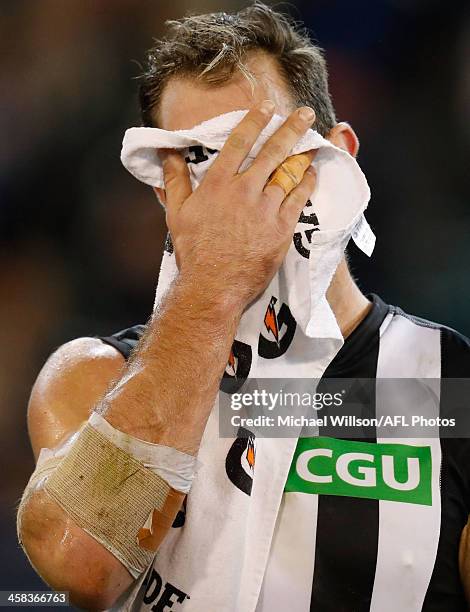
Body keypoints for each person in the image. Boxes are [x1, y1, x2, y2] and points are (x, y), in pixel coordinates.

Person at [16, 3, 470, 611]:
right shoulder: (91, 377)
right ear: (165, 195)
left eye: (257, 154)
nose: (234, 197)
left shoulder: (451, 386)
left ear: (339, 157)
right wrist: (213, 283)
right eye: (201, 166)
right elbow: (83, 564)